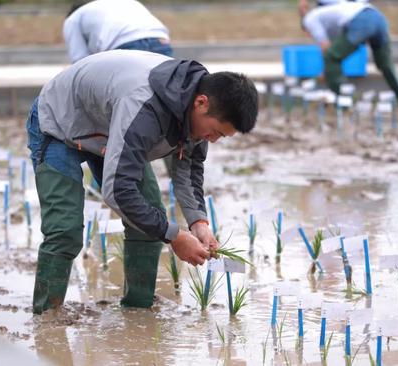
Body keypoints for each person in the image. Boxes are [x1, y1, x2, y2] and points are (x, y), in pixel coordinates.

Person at [26, 49, 258, 314]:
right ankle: (47, 320)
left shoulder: (193, 111)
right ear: (201, 102)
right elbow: (118, 191)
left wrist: (198, 222)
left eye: (222, 137)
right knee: (64, 230)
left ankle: (137, 313)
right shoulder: (144, 108)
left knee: (149, 219)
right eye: (215, 131)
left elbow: (189, 169)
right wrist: (174, 237)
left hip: (111, 130)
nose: (213, 140)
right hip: (61, 122)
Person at [301, 1, 398, 105]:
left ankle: (342, 102)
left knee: (331, 57)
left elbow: (326, 47)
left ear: (305, 29)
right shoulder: (330, 17)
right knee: (385, 64)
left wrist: (325, 72)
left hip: (361, 20)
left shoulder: (309, 20)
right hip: (378, 17)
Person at [63, 0, 172, 63]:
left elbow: (80, 61)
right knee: (166, 88)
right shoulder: (113, 4)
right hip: (160, 39)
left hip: (124, 44)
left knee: (129, 93)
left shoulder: (72, 19)